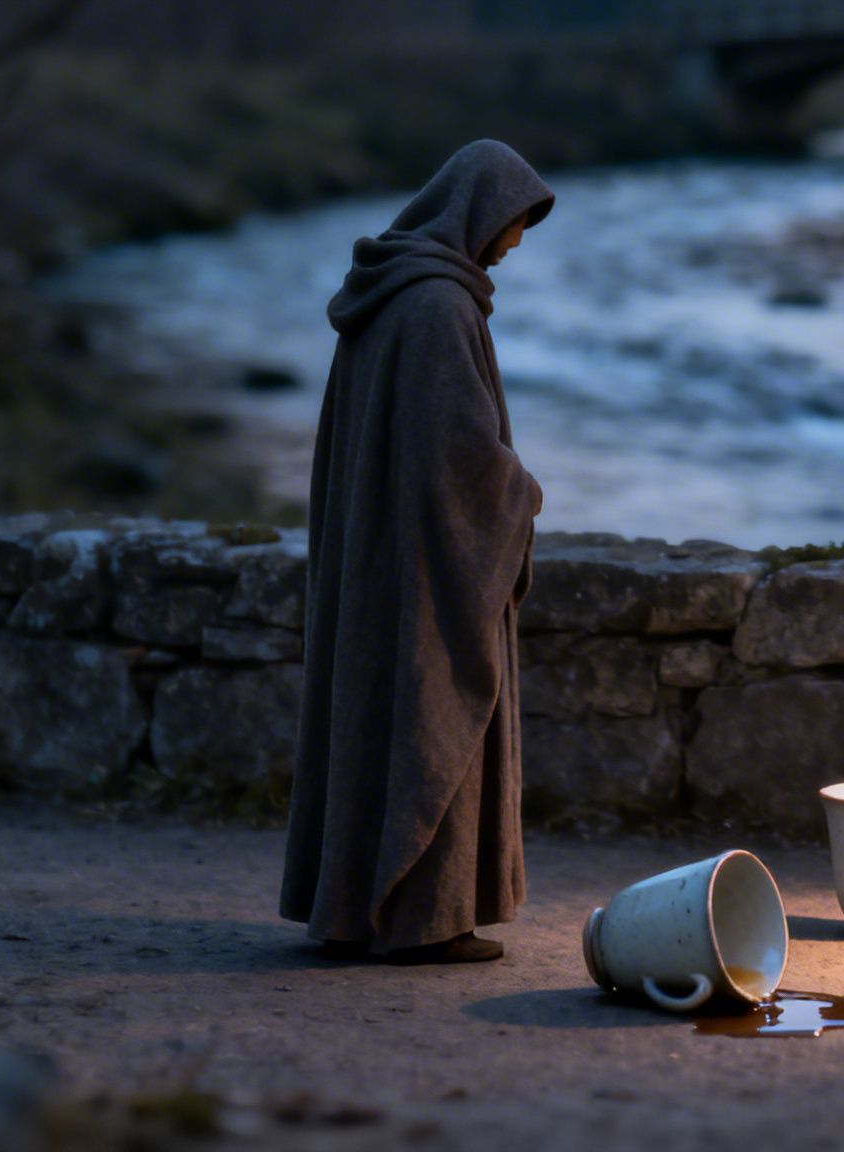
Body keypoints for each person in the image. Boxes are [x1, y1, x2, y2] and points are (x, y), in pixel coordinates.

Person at [280, 140, 554, 965]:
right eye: (512, 223)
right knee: (434, 716)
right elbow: (459, 461)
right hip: (427, 568)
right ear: (476, 212)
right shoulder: (437, 307)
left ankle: (352, 912)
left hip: (380, 558)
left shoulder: (391, 293)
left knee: (375, 721)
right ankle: (425, 917)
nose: (515, 242)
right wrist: (520, 495)